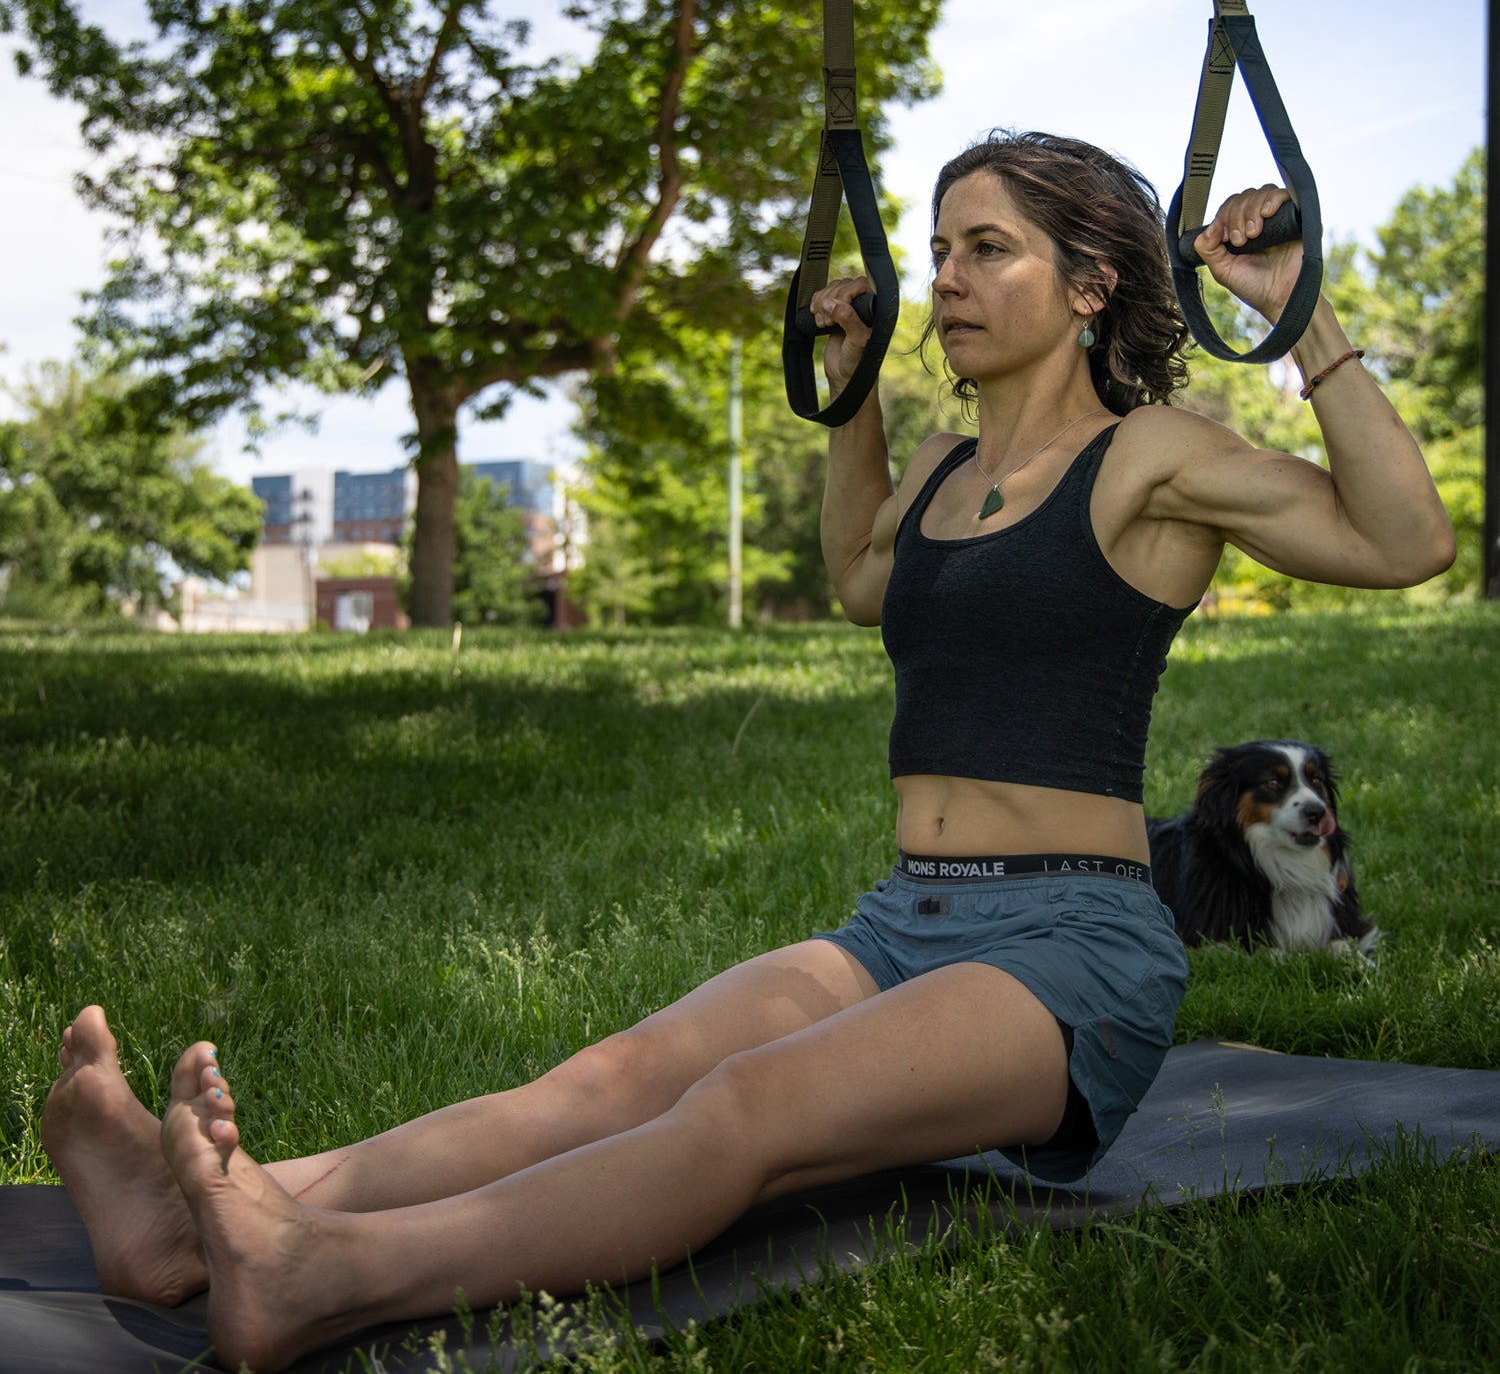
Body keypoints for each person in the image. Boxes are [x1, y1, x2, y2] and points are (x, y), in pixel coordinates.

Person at [42, 130, 1454, 1374]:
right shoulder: (950, 474)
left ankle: (321, 1279)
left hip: (1071, 952)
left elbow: (1407, 540)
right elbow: (859, 579)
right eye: (941, 246)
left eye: (987, 249)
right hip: (905, 920)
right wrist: (854, 387)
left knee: (749, 1107)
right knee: (600, 1084)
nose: (945, 279)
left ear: (1091, 285)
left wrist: (1297, 308)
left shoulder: (1152, 455)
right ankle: (188, 1226)